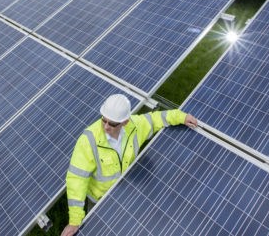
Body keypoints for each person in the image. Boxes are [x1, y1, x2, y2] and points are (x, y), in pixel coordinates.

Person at [61, 94, 199, 236]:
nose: (106, 126)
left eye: (112, 123)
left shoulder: (134, 127)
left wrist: (180, 116)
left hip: (128, 193)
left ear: (125, 122)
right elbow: (76, 179)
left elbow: (155, 119)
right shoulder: (88, 140)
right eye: (104, 120)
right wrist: (75, 220)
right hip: (101, 201)